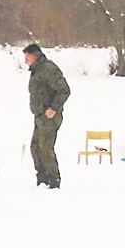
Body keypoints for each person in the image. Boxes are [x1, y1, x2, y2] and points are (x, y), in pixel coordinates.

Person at [24, 43, 71, 189]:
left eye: (27, 57)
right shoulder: (36, 71)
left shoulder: (49, 69)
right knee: (35, 147)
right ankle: (42, 178)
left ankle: (53, 180)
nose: (25, 61)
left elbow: (64, 90)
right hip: (39, 116)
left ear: (35, 56)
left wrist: (53, 108)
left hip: (50, 116)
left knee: (45, 148)